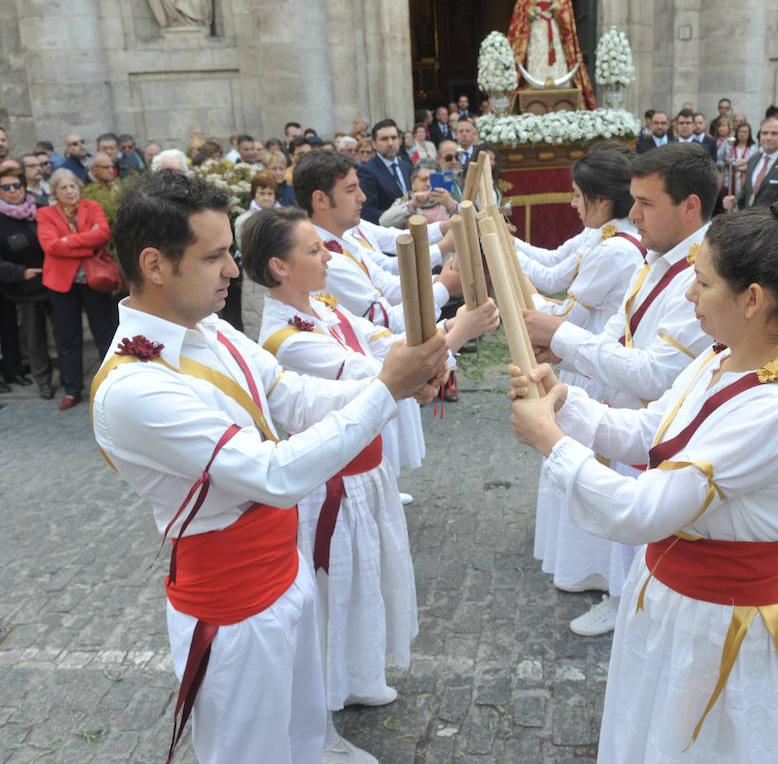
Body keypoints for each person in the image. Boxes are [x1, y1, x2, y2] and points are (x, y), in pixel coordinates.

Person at [91, 169, 449, 764]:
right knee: (249, 747)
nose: (234, 270)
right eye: (214, 258)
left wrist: (395, 386)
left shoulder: (209, 330)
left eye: (229, 253)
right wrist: (386, 390)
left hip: (285, 563)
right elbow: (274, 474)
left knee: (304, 719)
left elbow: (297, 398)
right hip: (230, 602)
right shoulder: (134, 384)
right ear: (154, 265)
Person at [509, 196, 778, 763]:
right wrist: (566, 406)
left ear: (752, 299)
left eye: (701, 284)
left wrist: (549, 442)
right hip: (679, 604)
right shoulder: (721, 356)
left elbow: (644, 510)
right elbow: (654, 432)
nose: (687, 295)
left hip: (728, 623)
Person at [244, 208, 497, 732]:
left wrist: (437, 338)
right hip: (329, 481)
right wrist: (454, 336)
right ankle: (324, 698)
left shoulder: (322, 306)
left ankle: (356, 674)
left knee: (366, 575)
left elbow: (386, 345)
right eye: (313, 250)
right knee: (335, 584)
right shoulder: (284, 339)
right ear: (279, 267)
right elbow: (373, 377)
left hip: (366, 467)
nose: (328, 255)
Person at [523, 143, 716, 636]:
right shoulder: (658, 257)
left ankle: (631, 597)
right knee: (625, 509)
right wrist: (563, 352)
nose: (632, 215)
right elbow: (618, 327)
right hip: (635, 410)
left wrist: (560, 335)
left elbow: (657, 372)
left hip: (666, 418)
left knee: (643, 512)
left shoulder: (704, 269)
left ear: (690, 206)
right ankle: (623, 590)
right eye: (632, 200)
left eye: (646, 204)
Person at [519, 148, 645, 596]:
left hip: (592, 369)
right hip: (584, 358)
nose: (571, 204)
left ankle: (605, 578)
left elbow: (564, 317)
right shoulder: (602, 236)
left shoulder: (614, 248)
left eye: (578, 196)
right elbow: (551, 267)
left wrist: (521, 298)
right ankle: (586, 568)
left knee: (587, 468)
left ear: (602, 200)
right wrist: (498, 243)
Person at [296, 150, 461, 334]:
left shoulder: (345, 235)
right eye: (351, 190)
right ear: (320, 200)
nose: (362, 197)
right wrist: (443, 286)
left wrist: (439, 278)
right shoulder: (328, 261)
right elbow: (388, 323)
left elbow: (387, 282)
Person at [36, 168, 116, 410]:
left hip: (95, 280)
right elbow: (50, 246)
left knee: (104, 332)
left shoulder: (92, 207)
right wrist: (86, 244)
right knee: (69, 337)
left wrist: (68, 241)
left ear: (79, 188)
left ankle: (111, 384)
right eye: (63, 188)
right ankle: (72, 389)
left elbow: (103, 234)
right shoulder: (45, 213)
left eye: (72, 186)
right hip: (62, 283)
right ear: (55, 192)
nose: (69, 191)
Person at [507, 0, 597, 109]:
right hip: (537, 28)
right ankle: (536, 83)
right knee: (537, 52)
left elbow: (565, 4)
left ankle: (559, 82)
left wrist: (556, 9)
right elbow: (521, 10)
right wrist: (531, 13)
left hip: (552, 25)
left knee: (555, 52)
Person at [0, 164, 56, 398]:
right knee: (35, 339)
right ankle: (43, 380)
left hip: (55, 282)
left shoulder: (42, 209)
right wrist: (19, 272)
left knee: (65, 334)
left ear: (24, 187)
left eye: (17, 185)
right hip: (25, 288)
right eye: (6, 187)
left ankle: (71, 378)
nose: (13, 190)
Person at [234, 171, 280, 340]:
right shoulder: (243, 220)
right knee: (257, 332)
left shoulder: (285, 218)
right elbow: (249, 250)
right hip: (255, 283)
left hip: (281, 282)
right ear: (254, 193)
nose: (266, 198)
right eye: (262, 193)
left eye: (270, 193)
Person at [726, 116, 778, 211]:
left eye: (774, 133)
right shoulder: (753, 159)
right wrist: (734, 200)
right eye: (765, 133)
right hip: (748, 221)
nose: (768, 137)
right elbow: (747, 190)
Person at [357, 119, 413, 224]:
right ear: (374, 143)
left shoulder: (406, 166)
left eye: (394, 138)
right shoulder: (367, 171)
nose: (390, 143)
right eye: (384, 139)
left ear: (400, 141)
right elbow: (368, 213)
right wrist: (402, 214)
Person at [378, 158, 458, 230]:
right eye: (423, 179)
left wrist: (452, 207)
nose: (428, 184)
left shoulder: (446, 200)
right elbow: (383, 223)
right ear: (412, 182)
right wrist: (412, 205)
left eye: (433, 180)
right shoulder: (404, 202)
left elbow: (466, 225)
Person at [730, 121, 758, 194]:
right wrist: (746, 161)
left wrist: (738, 167)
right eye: (741, 131)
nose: (742, 134)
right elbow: (730, 161)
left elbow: (753, 163)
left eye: (745, 132)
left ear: (749, 134)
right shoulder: (730, 146)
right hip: (731, 181)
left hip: (747, 179)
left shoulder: (753, 147)